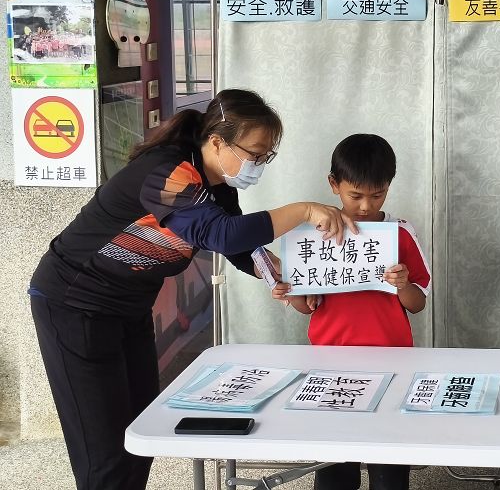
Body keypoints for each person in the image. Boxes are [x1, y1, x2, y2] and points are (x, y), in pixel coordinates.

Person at [28, 89, 355, 490]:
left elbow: (240, 247)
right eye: (254, 154)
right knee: (105, 453)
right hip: (74, 302)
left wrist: (286, 277)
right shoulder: (166, 172)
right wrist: (303, 210)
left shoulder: (218, 185)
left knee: (139, 432)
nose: (258, 165)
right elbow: (219, 233)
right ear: (217, 142)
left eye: (266, 157)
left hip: (128, 307)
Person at [273, 133, 431, 490]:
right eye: (355, 195)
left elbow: (418, 303)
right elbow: (305, 306)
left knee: (388, 462)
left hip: (392, 359)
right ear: (334, 184)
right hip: (329, 360)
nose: (365, 206)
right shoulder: (313, 235)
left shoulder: (399, 233)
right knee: (333, 464)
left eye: (377, 195)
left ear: (389, 186)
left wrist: (402, 283)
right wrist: (291, 291)